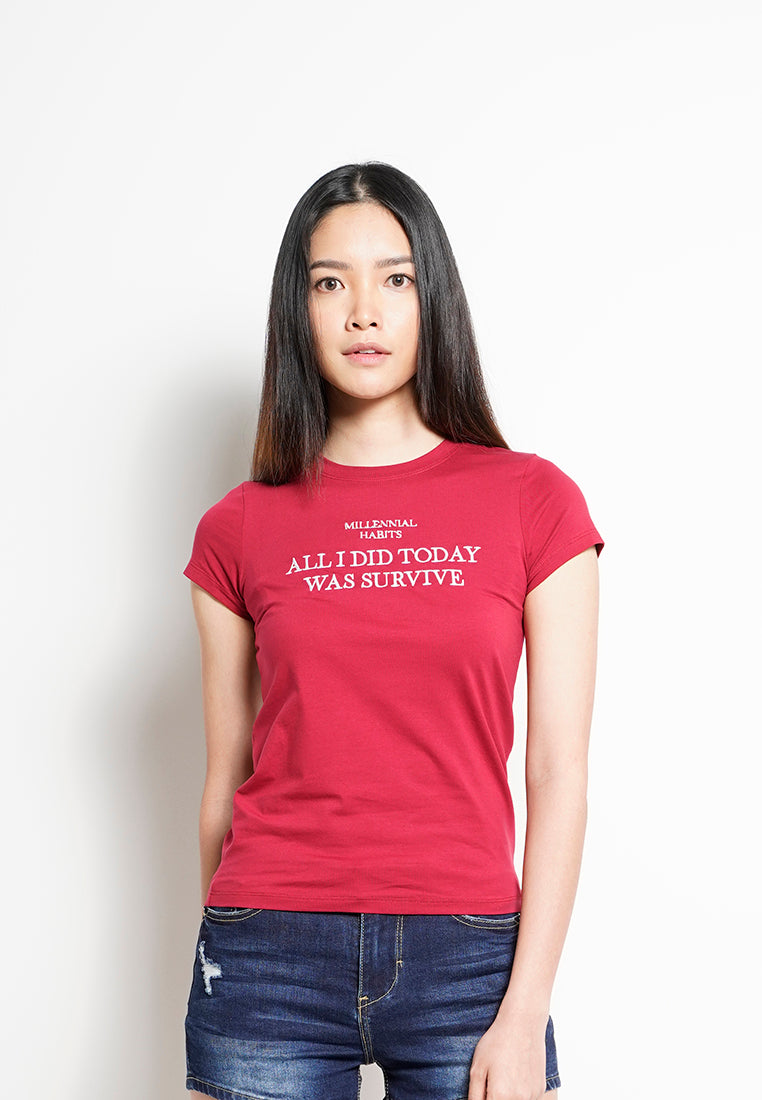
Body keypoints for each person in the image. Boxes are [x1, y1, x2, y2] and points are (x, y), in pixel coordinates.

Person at [182, 161, 604, 1100]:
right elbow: (224, 779)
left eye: (395, 278)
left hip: (471, 957)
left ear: (432, 297)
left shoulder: (535, 502)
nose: (363, 312)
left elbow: (558, 773)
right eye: (330, 283)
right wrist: (228, 953)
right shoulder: (236, 527)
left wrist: (526, 1008)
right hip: (269, 951)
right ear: (298, 309)